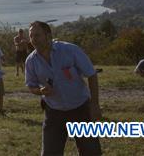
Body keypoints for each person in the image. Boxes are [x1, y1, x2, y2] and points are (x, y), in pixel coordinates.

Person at [25, 20, 101, 156]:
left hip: (81, 109)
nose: (33, 40)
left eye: (37, 35)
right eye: (31, 36)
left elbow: (91, 74)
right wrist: (40, 91)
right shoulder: (31, 61)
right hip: (54, 112)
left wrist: (94, 104)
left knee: (91, 151)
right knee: (50, 153)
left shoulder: (70, 50)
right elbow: (31, 85)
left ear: (48, 35)